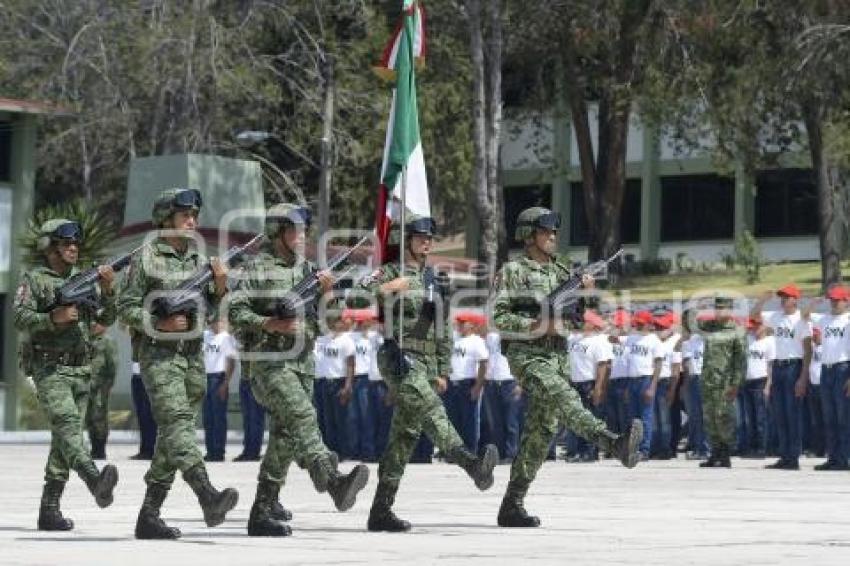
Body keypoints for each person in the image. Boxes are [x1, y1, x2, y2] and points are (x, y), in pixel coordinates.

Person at [491, 207, 642, 528]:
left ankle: (511, 505)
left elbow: (573, 317)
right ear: (529, 236)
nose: (553, 237)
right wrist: (535, 324)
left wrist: (584, 294)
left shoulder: (562, 271)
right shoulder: (513, 271)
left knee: (540, 431)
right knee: (565, 398)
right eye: (547, 232)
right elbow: (498, 318)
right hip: (527, 355)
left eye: (555, 232)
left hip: (558, 356)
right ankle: (613, 442)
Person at [229, 203, 370, 537]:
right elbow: (235, 313)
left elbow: (332, 321)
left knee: (285, 439)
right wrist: (271, 323)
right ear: (278, 231)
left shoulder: (309, 270)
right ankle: (332, 481)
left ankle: (262, 512)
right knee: (304, 417)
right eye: (295, 229)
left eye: (305, 229)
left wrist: (329, 292)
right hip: (268, 365)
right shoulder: (257, 269)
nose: (302, 235)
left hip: (302, 366)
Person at [361, 214, 498, 532]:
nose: (427, 241)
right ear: (405, 239)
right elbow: (353, 294)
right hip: (397, 356)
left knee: (403, 438)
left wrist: (441, 370)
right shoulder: (391, 272)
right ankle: (471, 463)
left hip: (425, 362)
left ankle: (380, 510)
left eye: (430, 238)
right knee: (432, 411)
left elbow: (440, 328)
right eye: (421, 236)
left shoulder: (434, 279)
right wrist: (387, 289)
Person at [118, 188, 238, 539]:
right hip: (159, 357)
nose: (192, 221)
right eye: (185, 214)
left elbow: (213, 313)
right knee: (179, 427)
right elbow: (123, 307)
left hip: (192, 359)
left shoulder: (199, 261)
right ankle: (207, 495)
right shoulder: (146, 258)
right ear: (166, 219)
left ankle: (149, 515)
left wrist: (219, 286)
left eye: (194, 215)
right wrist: (158, 322)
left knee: (172, 438)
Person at [14, 218, 119, 531]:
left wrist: (109, 289)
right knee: (70, 429)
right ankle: (94, 478)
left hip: (81, 370)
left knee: (62, 444)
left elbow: (108, 318)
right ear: (50, 247)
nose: (73, 248)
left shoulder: (84, 278)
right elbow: (19, 317)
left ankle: (49, 511)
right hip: (50, 369)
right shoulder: (34, 279)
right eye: (65, 243)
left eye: (75, 243)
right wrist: (53, 319)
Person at [750, 284, 811, 470]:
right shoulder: (775, 317)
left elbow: (808, 351)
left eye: (787, 297)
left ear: (795, 299)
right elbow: (753, 316)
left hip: (794, 366)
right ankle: (784, 455)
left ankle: (793, 457)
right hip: (778, 366)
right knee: (780, 414)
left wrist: (803, 377)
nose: (783, 300)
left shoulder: (801, 320)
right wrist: (762, 299)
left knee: (792, 414)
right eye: (782, 297)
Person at [697, 297, 747, 468]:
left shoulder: (737, 331)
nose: (718, 312)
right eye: (716, 309)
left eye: (722, 309)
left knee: (723, 418)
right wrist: (698, 309)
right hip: (708, 380)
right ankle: (715, 452)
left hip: (725, 382)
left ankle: (726, 454)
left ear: (730, 310)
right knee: (709, 418)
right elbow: (690, 324)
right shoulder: (710, 327)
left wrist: (735, 384)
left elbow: (741, 360)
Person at [809, 285, 850, 471]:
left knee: (843, 417)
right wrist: (813, 302)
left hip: (843, 368)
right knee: (829, 417)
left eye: (837, 300)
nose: (833, 303)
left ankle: (844, 458)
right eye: (832, 300)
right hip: (826, 369)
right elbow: (804, 315)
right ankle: (832, 457)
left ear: (846, 301)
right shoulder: (824, 319)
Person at [566, 310, 612, 462]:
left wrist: (598, 388)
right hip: (575, 383)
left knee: (590, 418)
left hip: (589, 383)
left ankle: (590, 452)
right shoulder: (574, 339)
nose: (577, 323)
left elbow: (603, 366)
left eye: (582, 321)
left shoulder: (599, 341)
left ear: (591, 325)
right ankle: (579, 450)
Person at [447, 311, 489, 453]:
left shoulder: (476, 341)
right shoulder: (456, 340)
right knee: (454, 420)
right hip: (453, 384)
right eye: (458, 322)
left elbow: (484, 363)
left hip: (467, 383)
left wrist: (478, 386)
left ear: (471, 325)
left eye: (462, 322)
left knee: (469, 421)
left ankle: (470, 452)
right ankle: (457, 453)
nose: (459, 325)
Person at [624, 310, 663, 461]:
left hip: (646, 380)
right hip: (632, 380)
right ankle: (633, 448)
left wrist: (653, 386)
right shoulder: (632, 338)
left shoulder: (654, 340)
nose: (638, 325)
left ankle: (644, 450)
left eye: (641, 323)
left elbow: (658, 364)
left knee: (646, 417)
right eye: (637, 322)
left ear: (648, 324)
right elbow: (615, 340)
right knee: (633, 419)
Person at [481, 330, 524, 463]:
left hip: (509, 382)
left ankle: (511, 454)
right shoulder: (489, 337)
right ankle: (499, 453)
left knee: (511, 422)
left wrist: (520, 383)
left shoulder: (515, 337)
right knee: (496, 422)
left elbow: (522, 362)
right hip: (491, 382)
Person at [202, 317, 237, 462]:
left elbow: (231, 361)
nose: (213, 324)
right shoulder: (206, 336)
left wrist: (226, 383)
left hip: (218, 377)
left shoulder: (226, 338)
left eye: (216, 321)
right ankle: (210, 450)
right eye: (210, 321)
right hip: (205, 378)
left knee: (218, 417)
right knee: (207, 418)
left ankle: (218, 451)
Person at [740, 318, 774, 459]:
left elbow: (770, 365)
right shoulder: (749, 340)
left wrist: (768, 385)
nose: (754, 329)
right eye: (753, 327)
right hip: (748, 381)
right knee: (750, 417)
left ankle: (762, 447)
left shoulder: (769, 342)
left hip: (761, 380)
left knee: (761, 417)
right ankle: (752, 446)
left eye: (757, 326)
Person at [652, 312, 682, 459]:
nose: (659, 329)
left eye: (662, 327)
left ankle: (667, 448)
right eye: (657, 326)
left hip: (667, 382)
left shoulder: (675, 342)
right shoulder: (655, 341)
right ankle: (657, 447)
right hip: (654, 381)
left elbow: (676, 369)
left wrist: (672, 390)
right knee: (656, 419)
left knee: (666, 419)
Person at [86, 323, 117, 460]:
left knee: (99, 416)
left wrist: (108, 385)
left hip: (100, 386)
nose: (94, 325)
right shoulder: (85, 340)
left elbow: (113, 365)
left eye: (98, 322)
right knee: (89, 417)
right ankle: (93, 447)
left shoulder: (108, 341)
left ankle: (100, 449)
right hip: (86, 384)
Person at [681, 315, 709, 460]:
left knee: (707, 416)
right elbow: (686, 364)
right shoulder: (689, 342)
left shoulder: (712, 342)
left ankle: (707, 448)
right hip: (695, 378)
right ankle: (700, 448)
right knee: (696, 416)